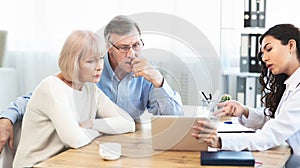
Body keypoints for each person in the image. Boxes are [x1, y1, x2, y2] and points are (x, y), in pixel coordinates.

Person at [0, 15, 183, 153]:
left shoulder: (147, 73)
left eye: (136, 45)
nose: (132, 54)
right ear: (109, 48)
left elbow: (173, 120)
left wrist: (160, 82)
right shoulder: (89, 69)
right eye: (124, 47)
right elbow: (38, 97)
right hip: (81, 147)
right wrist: (7, 118)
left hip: (121, 145)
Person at [12, 30, 135, 167]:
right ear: (73, 63)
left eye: (101, 58)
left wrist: (91, 124)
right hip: (35, 165)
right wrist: (100, 130)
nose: (99, 67)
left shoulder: (91, 89)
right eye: (90, 61)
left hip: (64, 161)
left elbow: (128, 123)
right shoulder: (52, 87)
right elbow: (75, 140)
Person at [192, 24, 300, 167]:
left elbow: (270, 135)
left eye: (269, 49)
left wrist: (220, 141)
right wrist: (244, 110)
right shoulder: (291, 83)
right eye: (262, 53)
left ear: (291, 45)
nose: (264, 58)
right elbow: (275, 121)